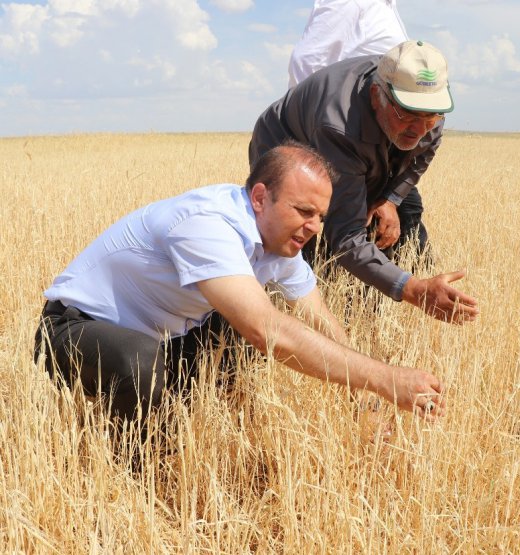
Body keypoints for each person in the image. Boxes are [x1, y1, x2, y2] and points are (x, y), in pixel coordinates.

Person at [34, 143, 446, 429]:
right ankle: (137, 477)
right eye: (304, 211)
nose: (314, 227)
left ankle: (191, 422)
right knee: (148, 358)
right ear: (260, 198)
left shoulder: (282, 244)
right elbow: (268, 332)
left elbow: (322, 323)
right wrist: (388, 379)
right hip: (73, 331)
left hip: (166, 338)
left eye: (320, 216)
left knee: (235, 325)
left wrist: (368, 400)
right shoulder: (206, 224)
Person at [250, 41, 479, 324]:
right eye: (407, 113)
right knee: (296, 242)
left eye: (430, 116)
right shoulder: (339, 128)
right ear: (376, 96)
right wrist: (414, 289)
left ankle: (364, 313)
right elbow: (347, 237)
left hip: (365, 138)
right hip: (288, 140)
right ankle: (286, 324)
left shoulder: (427, 106)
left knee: (399, 215)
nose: (420, 130)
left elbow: (423, 153)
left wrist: (390, 198)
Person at [288, 0, 408, 88]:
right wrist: (305, 119)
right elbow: (307, 61)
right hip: (348, 117)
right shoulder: (352, 3)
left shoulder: (386, 6)